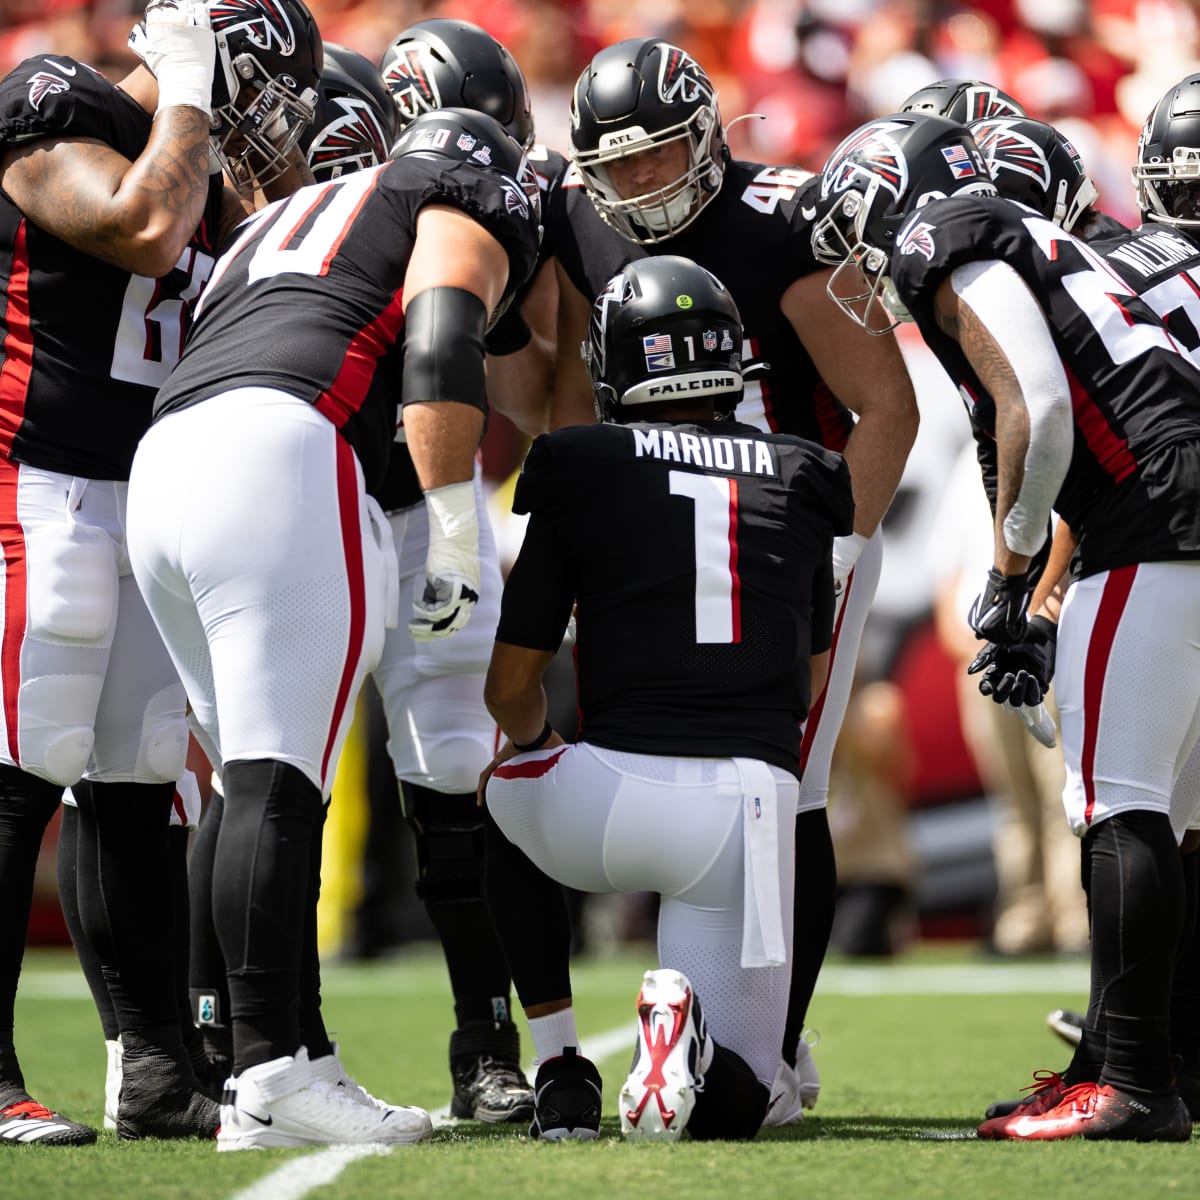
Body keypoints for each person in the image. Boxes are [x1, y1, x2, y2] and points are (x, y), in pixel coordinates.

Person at [497, 36, 918, 1123]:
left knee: (799, 785)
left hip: (786, 537)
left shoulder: (784, 218)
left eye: (657, 158)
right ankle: (734, 1034)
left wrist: (828, 556)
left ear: (706, 136)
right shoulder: (570, 216)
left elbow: (889, 410)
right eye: (615, 166)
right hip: (656, 535)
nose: (637, 185)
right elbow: (571, 394)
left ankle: (769, 1043)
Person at [125, 106, 542, 1149]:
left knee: (241, 779)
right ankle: (276, 1074)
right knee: (277, 780)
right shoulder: (449, 191)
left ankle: (276, 1055)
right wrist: (453, 532)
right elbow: (443, 335)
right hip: (281, 446)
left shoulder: (285, 216)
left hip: (164, 460)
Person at [811, 110, 1199, 1141]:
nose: (864, 258)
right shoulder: (1108, 248)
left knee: (1118, 804)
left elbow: (1038, 409)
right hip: (1173, 511)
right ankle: (1164, 1061)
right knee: (1180, 815)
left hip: (1160, 524)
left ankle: (1131, 1082)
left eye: (857, 228)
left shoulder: (956, 231)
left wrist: (1014, 574)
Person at [0, 0, 320, 1144]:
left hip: (143, 492)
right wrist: (185, 92)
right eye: (260, 88)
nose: (266, 125)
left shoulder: (210, 179)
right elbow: (136, 227)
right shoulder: (58, 102)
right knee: (25, 758)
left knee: (135, 779)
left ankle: (154, 1070)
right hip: (32, 477)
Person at [478, 254, 855, 1142]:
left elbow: (509, 687)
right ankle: (683, 1039)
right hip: (751, 815)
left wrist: (537, 747)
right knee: (739, 1108)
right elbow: (805, 679)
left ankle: (562, 1060)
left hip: (610, 798)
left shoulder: (579, 460)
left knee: (497, 794)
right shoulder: (803, 471)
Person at [371, 18, 544, 1123]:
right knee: (258, 783)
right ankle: (242, 1044)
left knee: (449, 780)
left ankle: (484, 1039)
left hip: (384, 499)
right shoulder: (458, 189)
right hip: (347, 498)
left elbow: (523, 385)